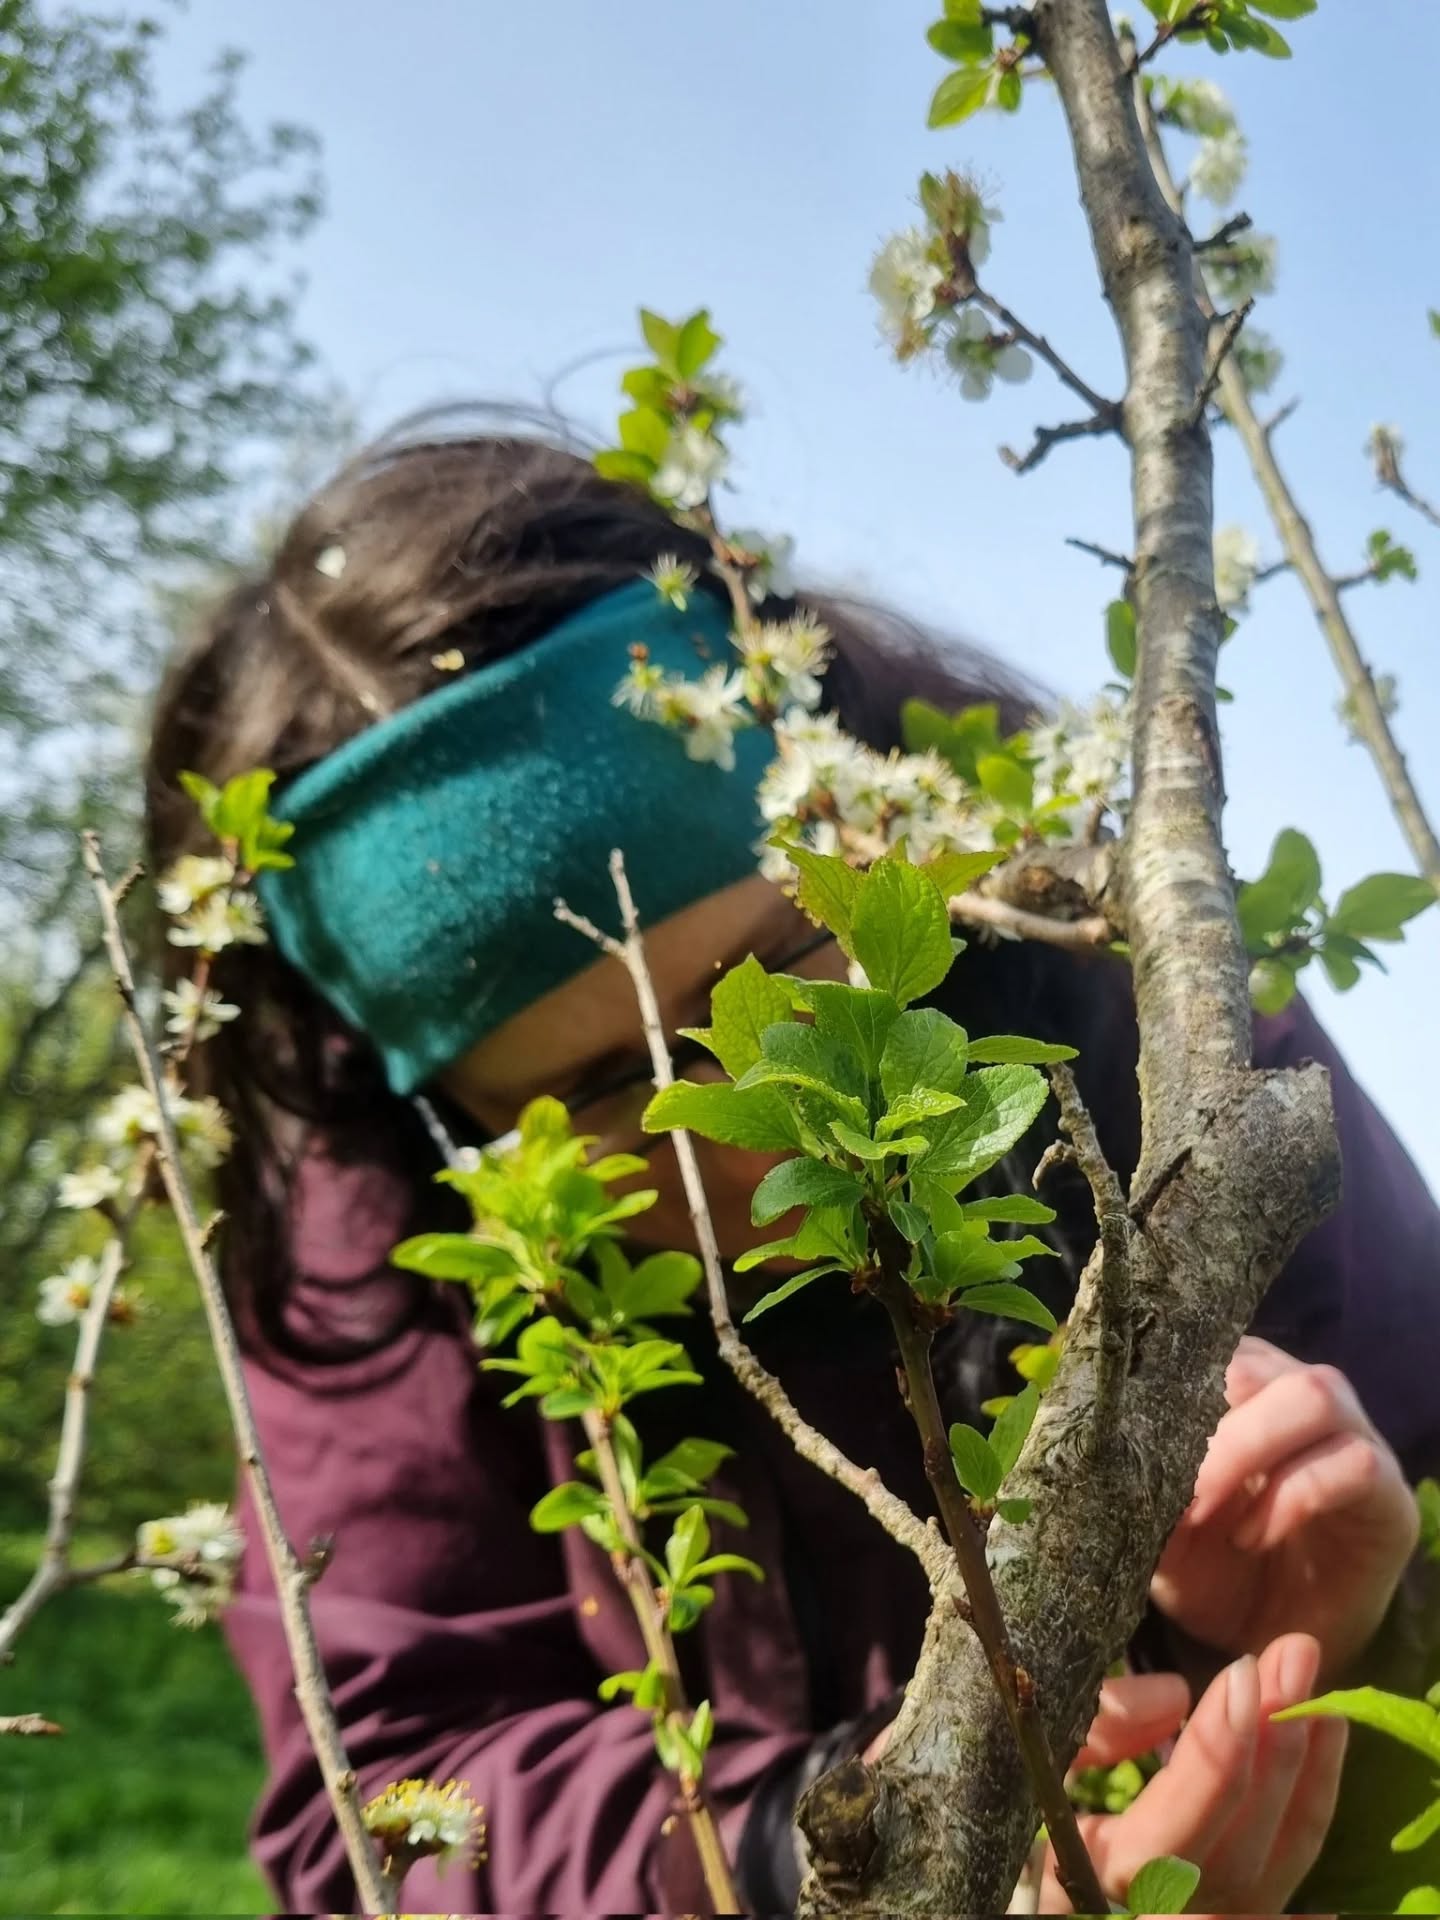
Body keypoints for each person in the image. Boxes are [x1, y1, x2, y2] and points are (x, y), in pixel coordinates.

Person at [142, 418, 1439, 1916]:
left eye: (775, 970)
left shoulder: (1152, 1005)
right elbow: (385, 1802)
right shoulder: (374, 1254)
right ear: (455, 1130)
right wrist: (816, 1859)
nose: (767, 1112)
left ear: (870, 836)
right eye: (611, 1082)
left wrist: (1337, 1636)